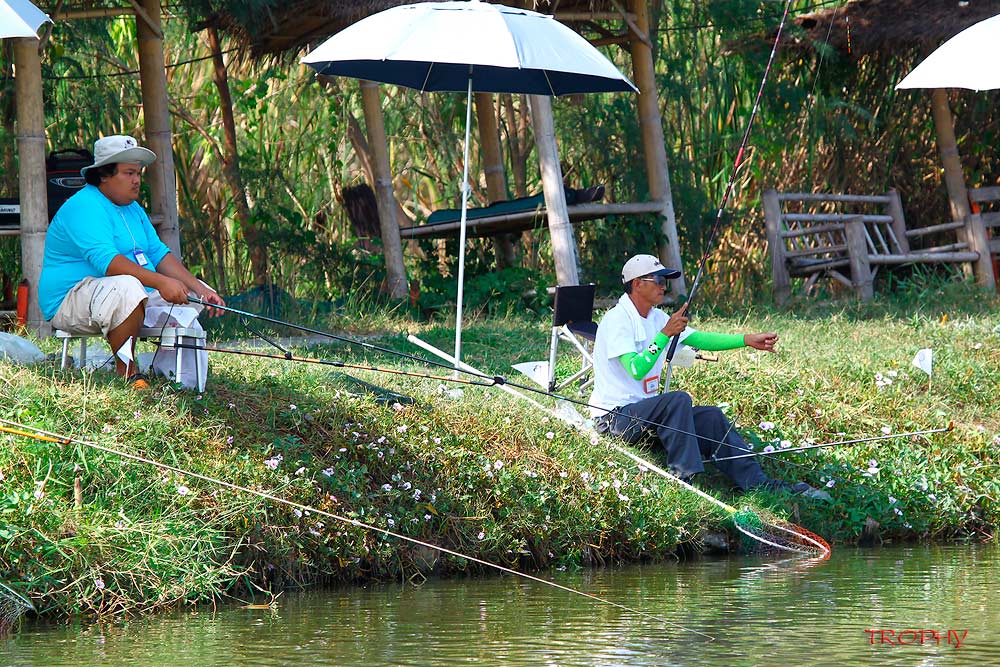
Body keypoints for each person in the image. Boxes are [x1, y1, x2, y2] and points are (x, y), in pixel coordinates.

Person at [589, 253, 821, 496]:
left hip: (645, 417)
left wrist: (747, 340)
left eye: (665, 280)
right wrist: (665, 334)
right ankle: (684, 480)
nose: (663, 286)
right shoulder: (617, 320)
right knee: (677, 400)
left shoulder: (657, 317)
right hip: (613, 421)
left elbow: (700, 338)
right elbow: (636, 370)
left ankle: (757, 483)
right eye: (658, 279)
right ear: (637, 284)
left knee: (710, 416)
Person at [39, 135, 225, 388]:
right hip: (70, 299)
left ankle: (182, 380)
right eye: (128, 173)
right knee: (128, 286)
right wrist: (161, 282)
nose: (137, 180)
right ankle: (127, 372)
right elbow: (107, 262)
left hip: (120, 293)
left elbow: (158, 254)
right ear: (104, 175)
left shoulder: (133, 208)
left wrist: (200, 289)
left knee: (189, 297)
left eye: (138, 173)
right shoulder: (84, 206)